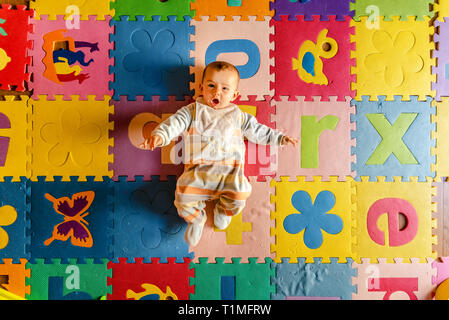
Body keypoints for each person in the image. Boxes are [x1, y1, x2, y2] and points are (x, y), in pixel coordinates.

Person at [140, 61, 298, 246]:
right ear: (201, 88)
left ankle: (223, 210)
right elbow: (174, 123)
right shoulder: (193, 111)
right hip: (197, 173)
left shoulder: (238, 116)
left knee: (241, 193)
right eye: (211, 86)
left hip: (230, 174)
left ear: (234, 95)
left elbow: (258, 131)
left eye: (225, 89)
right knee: (182, 197)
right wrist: (159, 135)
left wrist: (279, 138)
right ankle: (197, 219)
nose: (217, 93)